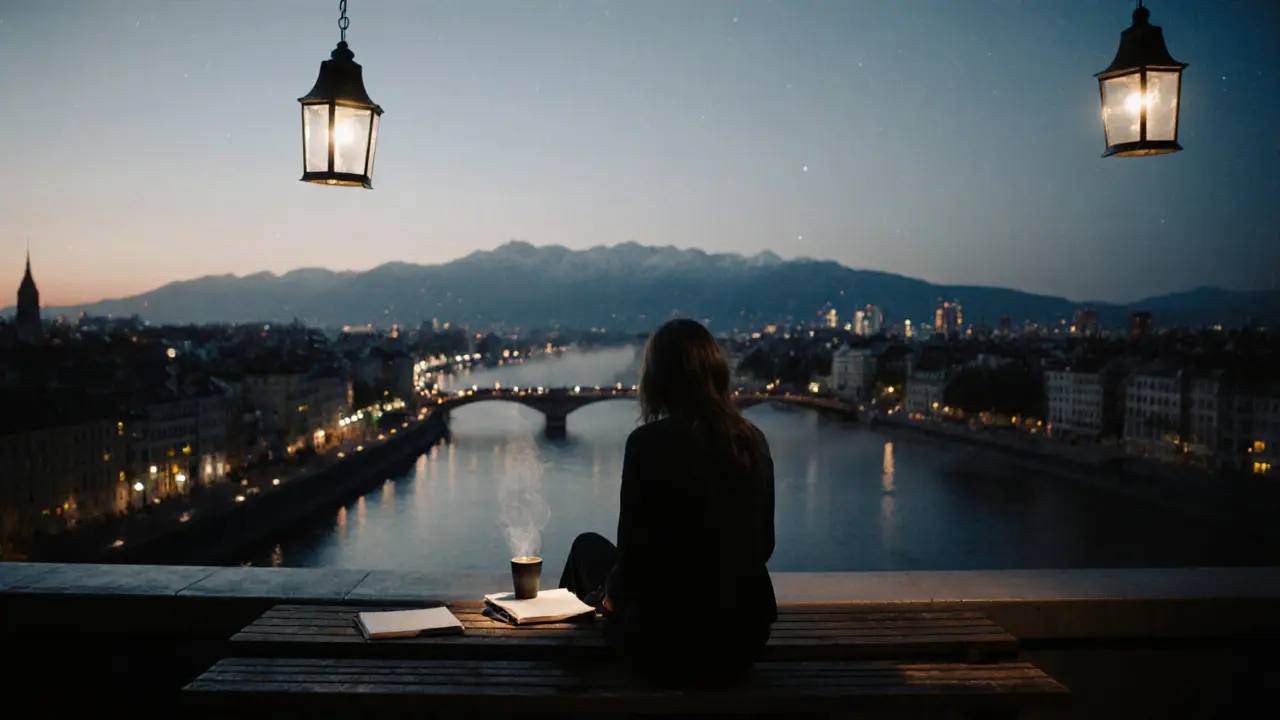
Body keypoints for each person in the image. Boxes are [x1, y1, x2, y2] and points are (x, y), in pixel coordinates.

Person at [559, 318, 777, 688]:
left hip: (665, 642)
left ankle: (569, 663)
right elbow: (764, 546)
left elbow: (633, 558)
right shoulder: (751, 440)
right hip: (743, 637)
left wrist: (610, 596)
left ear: (657, 380)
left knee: (586, 550)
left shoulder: (647, 443)